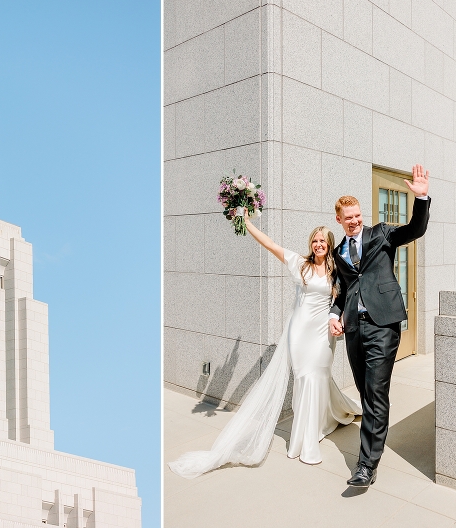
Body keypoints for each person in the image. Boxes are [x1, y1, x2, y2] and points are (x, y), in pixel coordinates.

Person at [168, 215, 361, 479]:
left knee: (319, 377)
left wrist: (338, 320)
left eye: (322, 241)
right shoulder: (299, 264)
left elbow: (346, 296)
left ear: (329, 244)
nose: (318, 245)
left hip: (323, 335)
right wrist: (247, 222)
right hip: (299, 332)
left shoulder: (336, 270)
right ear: (311, 244)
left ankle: (321, 424)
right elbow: (269, 244)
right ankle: (304, 439)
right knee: (306, 379)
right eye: (314, 241)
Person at [329, 164, 430, 488]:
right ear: (339, 220)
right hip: (354, 330)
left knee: (374, 392)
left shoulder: (381, 233)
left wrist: (422, 197)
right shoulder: (338, 252)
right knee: (365, 390)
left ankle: (365, 466)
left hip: (383, 324)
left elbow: (414, 230)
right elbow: (341, 292)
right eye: (349, 217)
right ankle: (374, 438)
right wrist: (334, 315)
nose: (355, 220)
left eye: (358, 215)